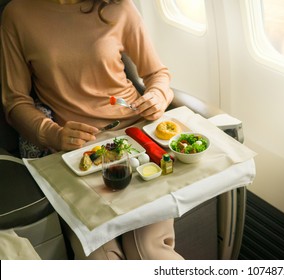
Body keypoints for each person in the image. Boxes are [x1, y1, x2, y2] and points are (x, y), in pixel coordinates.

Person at [1, 0, 183, 260]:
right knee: (101, 259)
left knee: (149, 249)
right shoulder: (18, 14)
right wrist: (53, 134)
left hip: (134, 135)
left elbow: (157, 73)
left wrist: (157, 96)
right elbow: (14, 103)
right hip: (78, 152)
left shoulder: (119, 7)